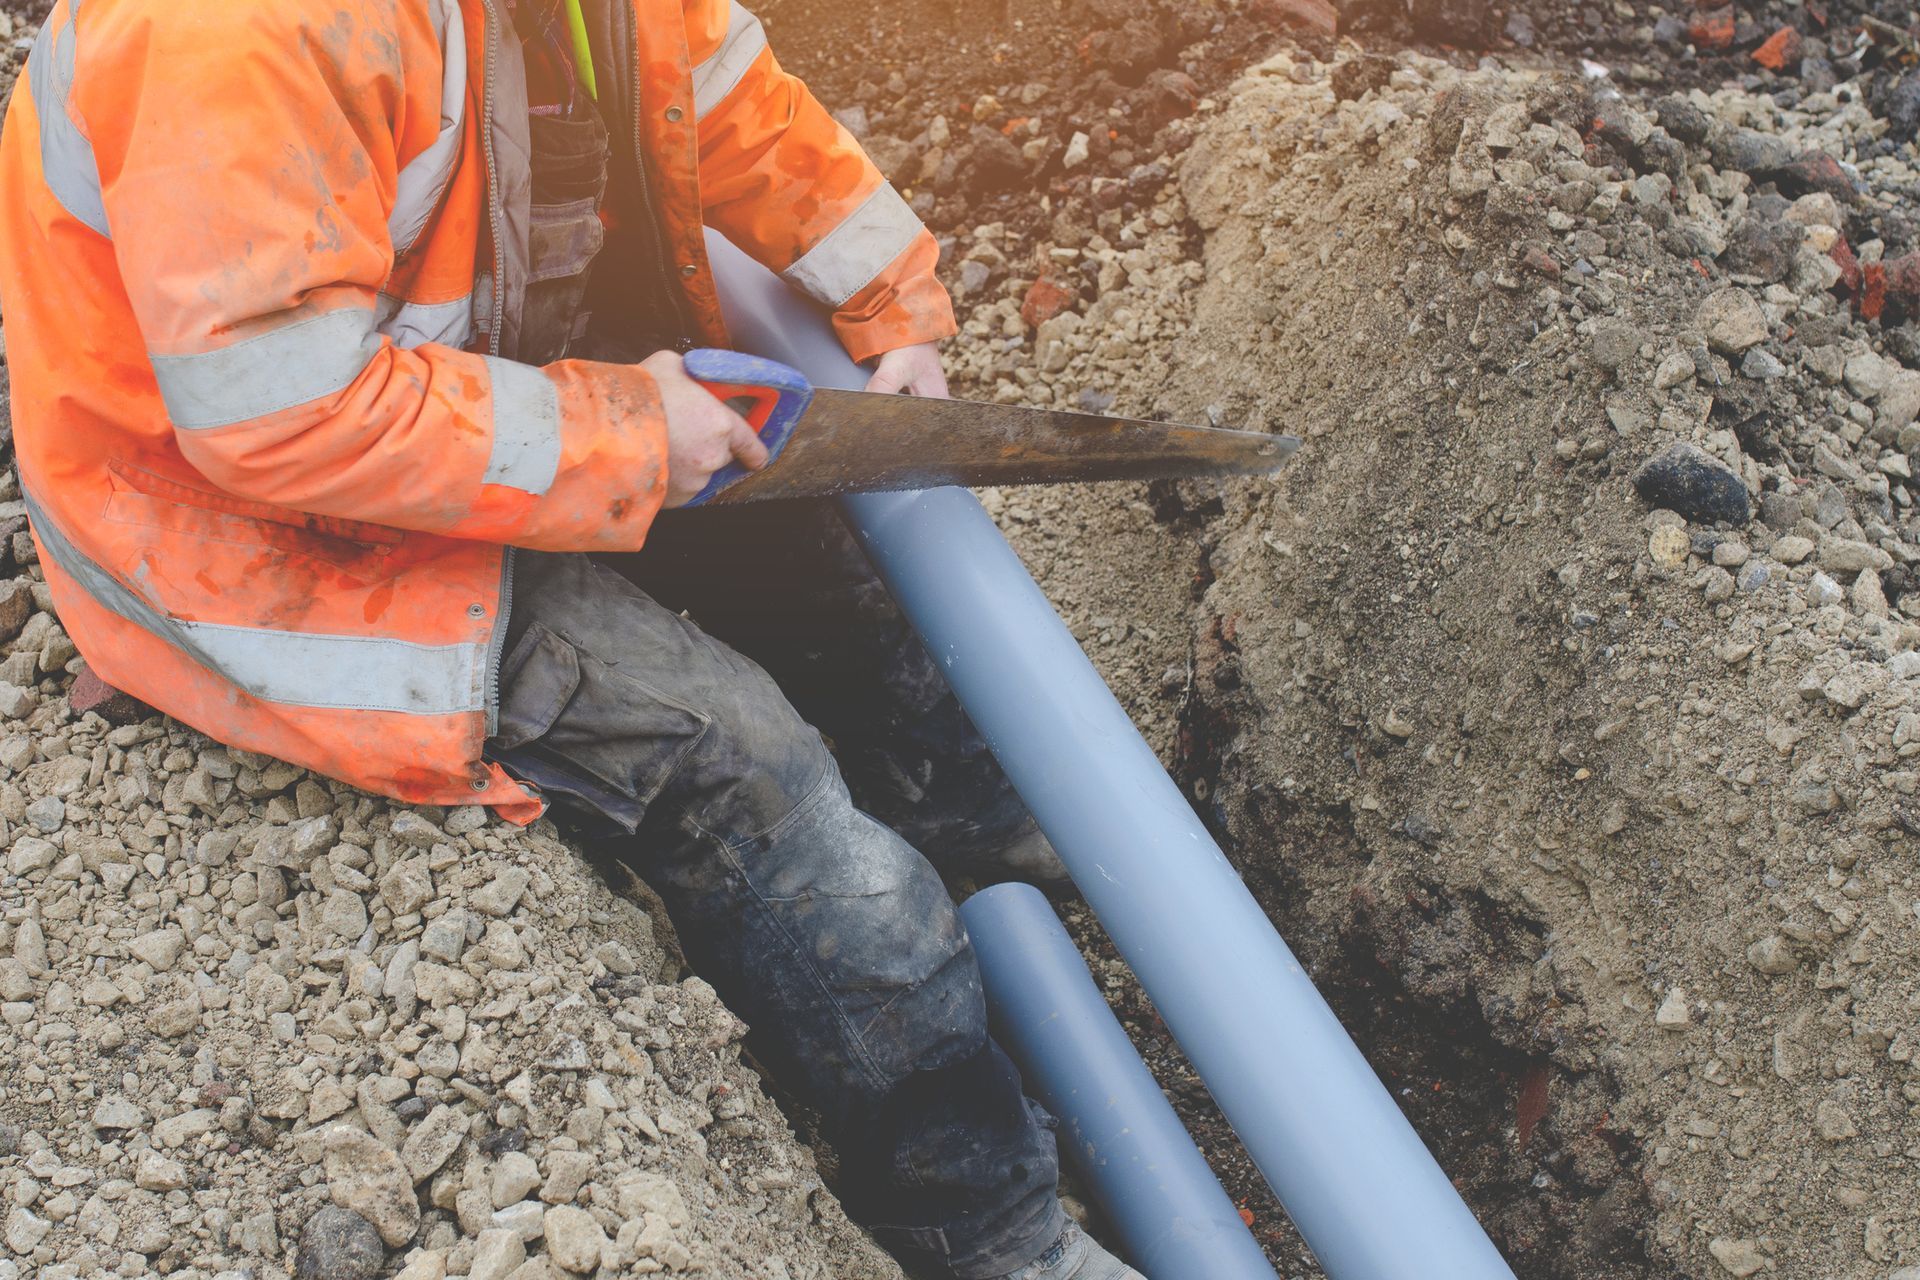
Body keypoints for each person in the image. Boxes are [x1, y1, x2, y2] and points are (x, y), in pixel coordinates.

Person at [0, 1, 1146, 1277]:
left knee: (835, 587)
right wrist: (623, 435)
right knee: (751, 776)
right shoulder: (234, 29)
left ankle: (1069, 898)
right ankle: (989, 1228)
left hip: (458, 401)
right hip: (264, 540)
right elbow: (281, 419)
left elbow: (709, 83)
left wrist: (892, 291)